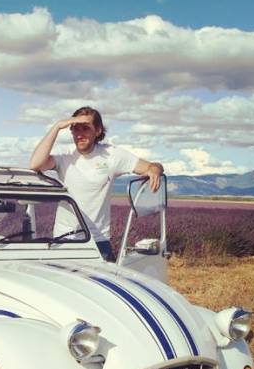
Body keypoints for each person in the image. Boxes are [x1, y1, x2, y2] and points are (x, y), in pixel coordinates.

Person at [29, 106, 164, 261]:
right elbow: (35, 164)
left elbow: (151, 167)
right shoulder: (64, 156)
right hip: (64, 240)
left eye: (85, 128)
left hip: (97, 241)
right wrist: (58, 126)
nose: (79, 134)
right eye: (75, 128)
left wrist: (155, 169)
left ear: (98, 131)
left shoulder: (112, 155)